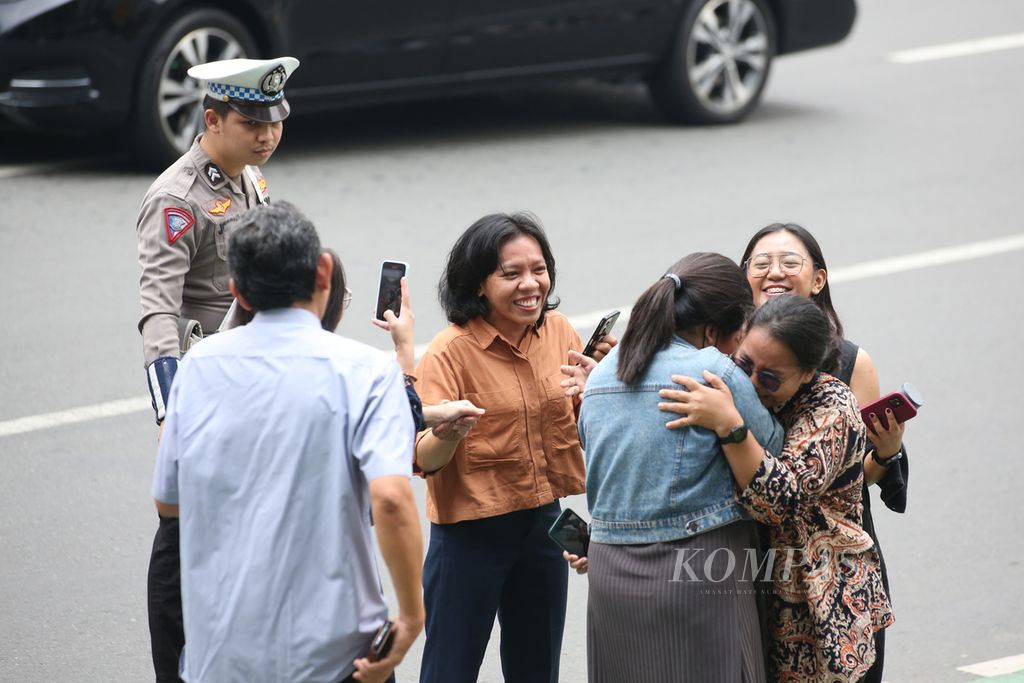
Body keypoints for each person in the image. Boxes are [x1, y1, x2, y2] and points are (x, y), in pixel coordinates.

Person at [151, 202, 424, 683]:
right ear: (323, 271)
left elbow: (168, 504)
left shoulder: (197, 367)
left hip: (224, 657)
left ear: (239, 292)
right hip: (339, 659)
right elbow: (392, 499)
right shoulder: (367, 371)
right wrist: (411, 616)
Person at [136, 56, 299, 682]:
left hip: (254, 386)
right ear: (212, 119)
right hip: (206, 396)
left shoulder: (248, 180)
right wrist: (171, 413)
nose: (267, 136)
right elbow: (157, 316)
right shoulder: (177, 201)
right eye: (252, 123)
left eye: (275, 122)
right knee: (185, 543)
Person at [412, 212, 611, 682]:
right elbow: (421, 457)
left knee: (537, 668)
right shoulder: (449, 351)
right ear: (478, 284)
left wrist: (597, 387)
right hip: (469, 539)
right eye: (511, 274)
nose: (530, 285)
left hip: (546, 524)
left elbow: (581, 428)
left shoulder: (560, 331)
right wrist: (447, 434)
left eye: (538, 270)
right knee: (449, 670)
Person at [568, 253, 785, 682]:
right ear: (712, 331)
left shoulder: (601, 375)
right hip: (698, 568)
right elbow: (771, 453)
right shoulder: (713, 370)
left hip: (611, 574)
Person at [659, 294, 894, 682]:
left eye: (769, 378)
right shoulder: (730, 386)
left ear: (807, 373)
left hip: (822, 608)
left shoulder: (833, 408)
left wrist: (732, 426)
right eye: (744, 364)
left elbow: (778, 500)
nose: (750, 385)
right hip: (749, 585)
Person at [738, 222, 908, 682]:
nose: (774, 272)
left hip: (828, 569)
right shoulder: (728, 356)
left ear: (817, 279)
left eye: (789, 263)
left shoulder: (849, 364)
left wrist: (888, 454)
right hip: (748, 562)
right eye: (761, 263)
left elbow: (850, 476)